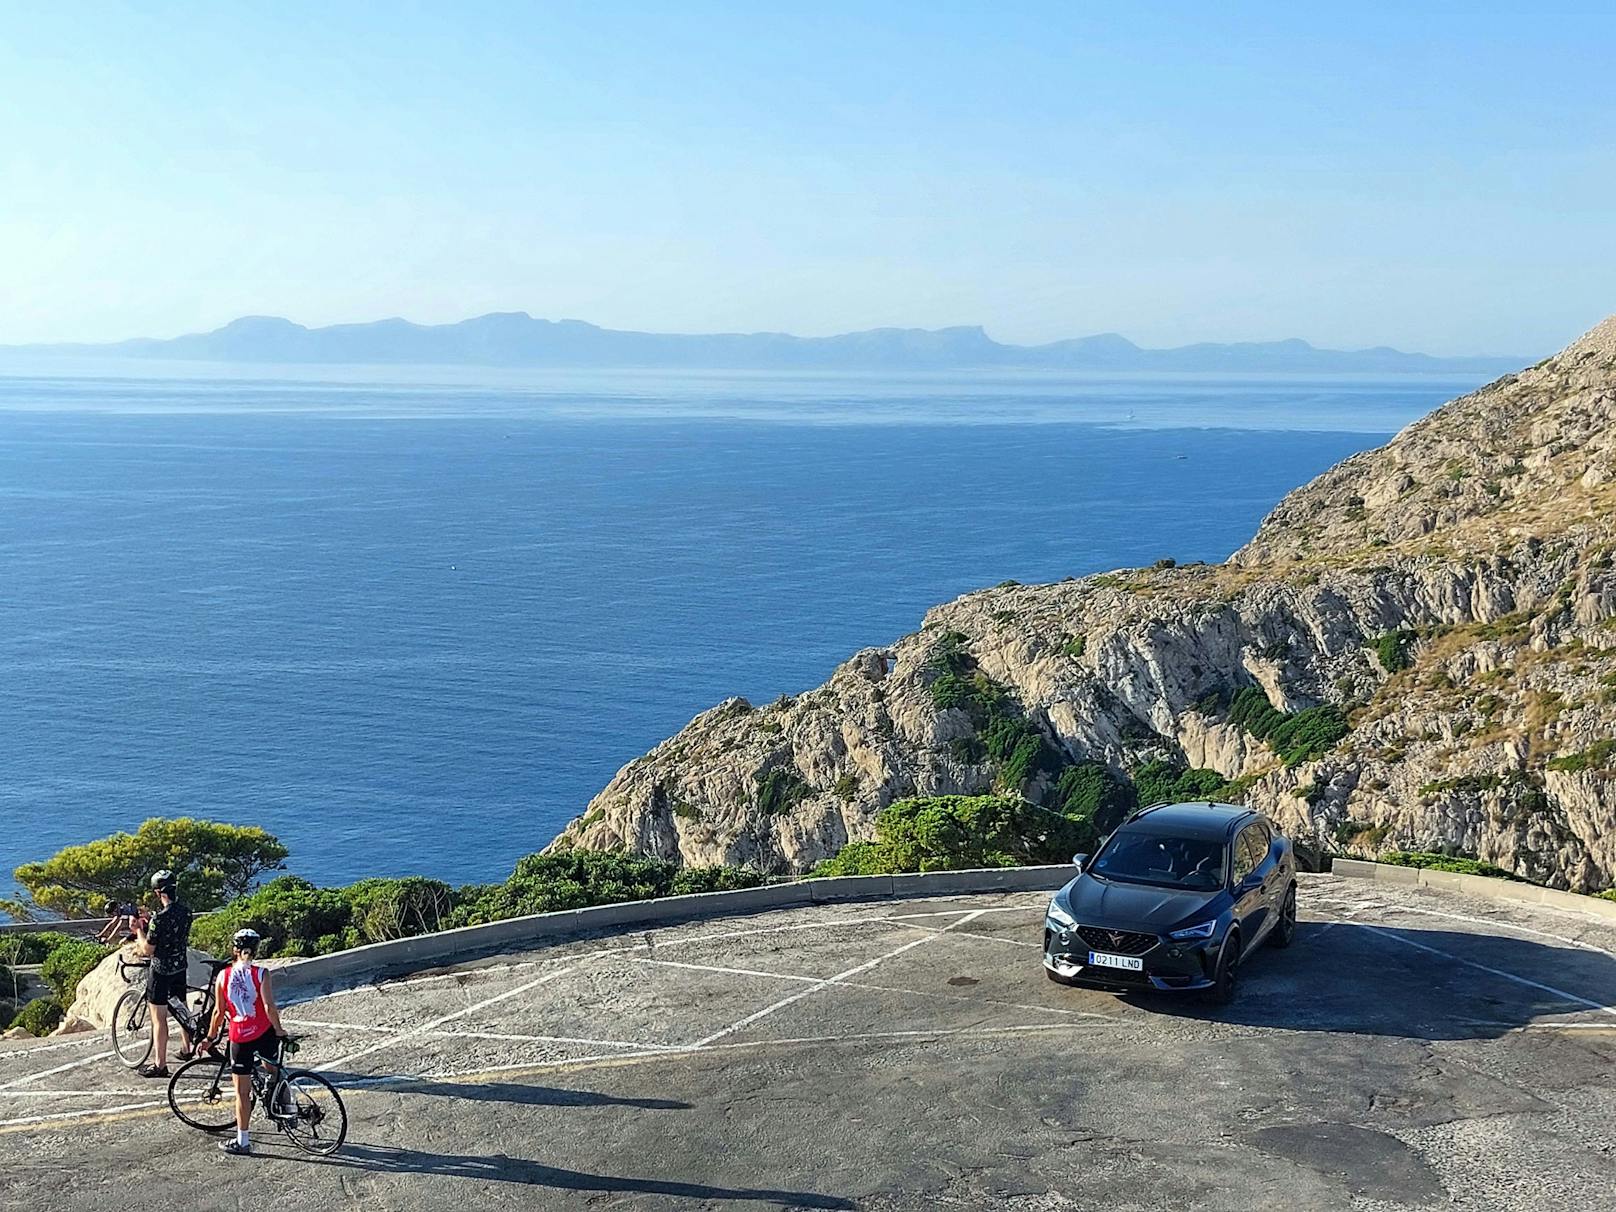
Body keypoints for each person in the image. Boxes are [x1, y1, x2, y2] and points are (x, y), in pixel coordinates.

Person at [202, 928, 288, 1157]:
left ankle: (243, 1140)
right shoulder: (262, 974)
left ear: (234, 950)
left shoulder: (223, 976)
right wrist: (279, 1030)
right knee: (274, 1070)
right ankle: (287, 1108)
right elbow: (269, 1007)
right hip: (264, 1032)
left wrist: (210, 1038)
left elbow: (219, 1012)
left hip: (240, 1037)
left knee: (242, 1092)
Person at [134, 869, 194, 1078]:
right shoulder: (186, 912)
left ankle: (160, 1064)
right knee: (181, 1008)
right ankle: (187, 1049)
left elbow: (147, 950)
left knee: (159, 1019)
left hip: (160, 971)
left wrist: (138, 931)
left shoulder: (158, 920)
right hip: (180, 967)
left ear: (159, 892)